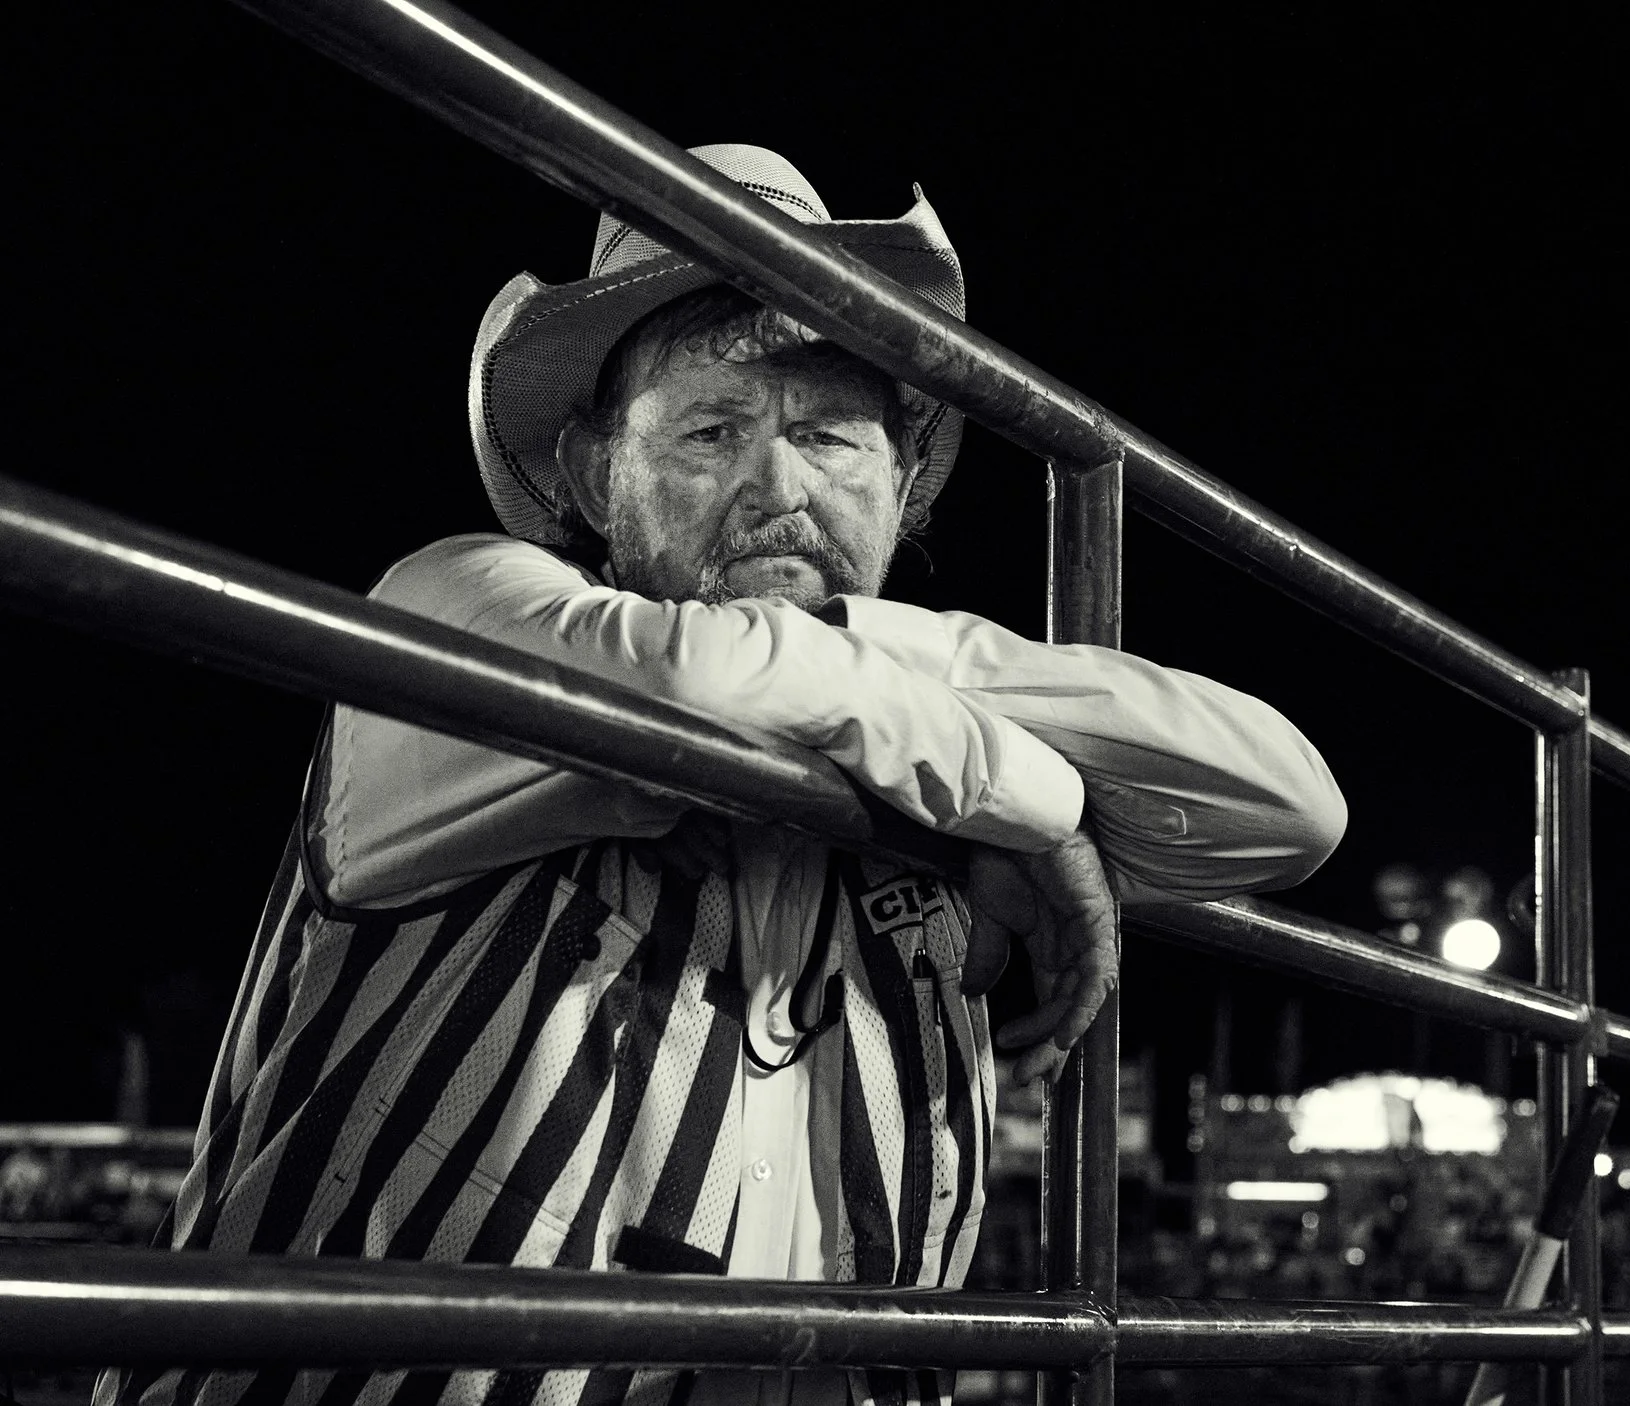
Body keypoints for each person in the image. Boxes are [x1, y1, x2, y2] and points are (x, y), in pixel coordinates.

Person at [101, 144, 1345, 1406]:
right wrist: (1029, 795)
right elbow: (700, 684)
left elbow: (1288, 803)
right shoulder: (460, 606)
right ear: (596, 474)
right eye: (713, 428)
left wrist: (900, 682)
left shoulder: (913, 719)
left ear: (904, 480)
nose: (780, 488)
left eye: (828, 435)